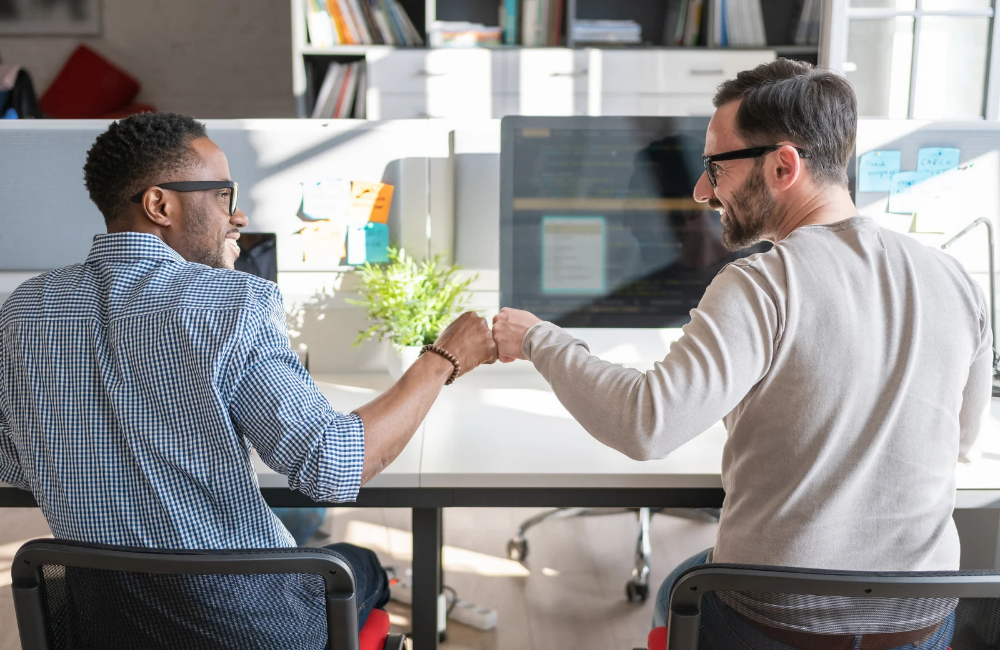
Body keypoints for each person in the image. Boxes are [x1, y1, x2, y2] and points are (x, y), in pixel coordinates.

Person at [492, 59, 990, 648]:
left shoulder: (762, 283)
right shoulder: (956, 279)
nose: (702, 191)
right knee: (680, 579)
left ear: (783, 166)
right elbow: (962, 442)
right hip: (920, 618)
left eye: (716, 167)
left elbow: (646, 424)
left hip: (778, 617)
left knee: (676, 591)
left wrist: (536, 338)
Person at [0, 112, 497, 641]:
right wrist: (442, 358)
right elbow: (333, 467)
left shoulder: (25, 309)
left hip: (105, 628)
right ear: (160, 205)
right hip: (248, 630)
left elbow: (13, 463)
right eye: (223, 195)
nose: (238, 215)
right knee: (361, 564)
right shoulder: (232, 301)